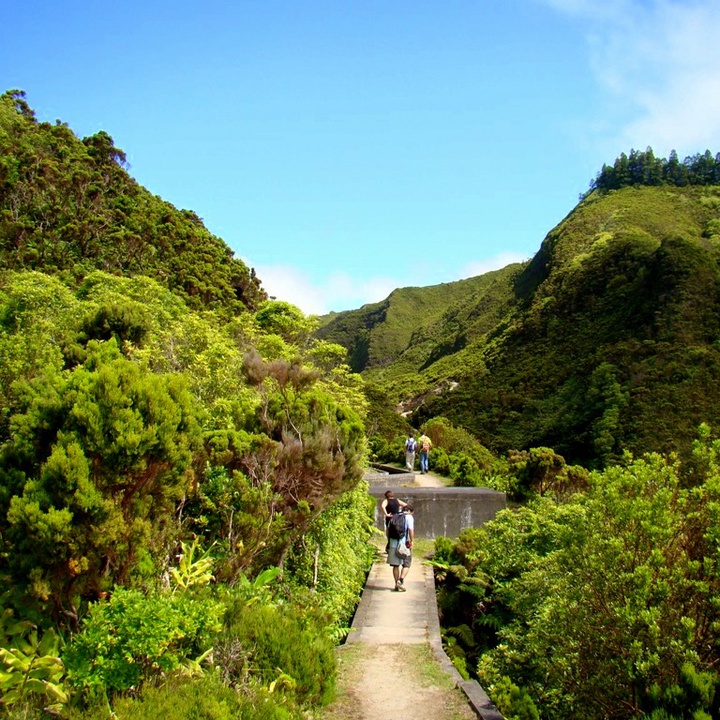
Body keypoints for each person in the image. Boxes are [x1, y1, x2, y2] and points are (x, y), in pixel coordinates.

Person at [387, 504, 414, 591]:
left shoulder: (394, 516)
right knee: (406, 564)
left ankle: (396, 584)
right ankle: (400, 580)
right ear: (410, 511)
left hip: (393, 543)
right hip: (404, 544)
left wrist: (389, 542)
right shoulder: (409, 517)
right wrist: (411, 541)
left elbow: (388, 530)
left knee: (395, 565)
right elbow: (410, 529)